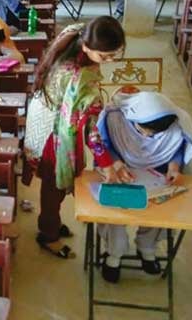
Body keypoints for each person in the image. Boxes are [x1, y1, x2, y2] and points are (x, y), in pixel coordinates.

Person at [23, 17, 125, 259]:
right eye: (104, 56)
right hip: (53, 130)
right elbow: (91, 130)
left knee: (57, 180)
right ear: (87, 47)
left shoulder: (78, 33)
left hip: (46, 114)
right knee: (53, 185)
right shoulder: (79, 78)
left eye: (114, 55)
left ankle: (51, 224)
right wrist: (107, 163)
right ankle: (48, 234)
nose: (109, 61)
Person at [96, 92, 192, 283]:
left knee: (159, 207)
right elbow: (103, 146)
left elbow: (177, 148)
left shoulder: (174, 123)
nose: (147, 137)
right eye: (143, 131)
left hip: (155, 174)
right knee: (117, 208)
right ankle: (114, 254)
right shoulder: (115, 118)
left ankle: (147, 248)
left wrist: (174, 167)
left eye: (153, 135)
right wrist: (117, 163)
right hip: (120, 171)